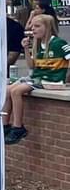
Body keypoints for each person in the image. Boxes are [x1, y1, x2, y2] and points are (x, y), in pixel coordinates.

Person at [6, 13, 68, 144]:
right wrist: (26, 49)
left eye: (37, 26)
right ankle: (5, 124)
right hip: (37, 77)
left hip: (50, 79)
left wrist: (66, 78)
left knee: (16, 91)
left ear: (48, 28)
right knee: (7, 89)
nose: (33, 29)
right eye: (32, 26)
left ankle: (18, 126)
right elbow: (31, 66)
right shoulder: (38, 45)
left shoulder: (59, 43)